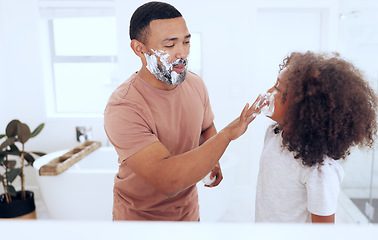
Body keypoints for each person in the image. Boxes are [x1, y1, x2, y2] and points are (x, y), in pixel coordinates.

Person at [104, 1, 262, 221]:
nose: (182, 53)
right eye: (169, 45)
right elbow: (168, 181)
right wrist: (227, 135)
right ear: (139, 49)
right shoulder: (124, 106)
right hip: (139, 224)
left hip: (189, 216)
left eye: (186, 42)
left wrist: (211, 160)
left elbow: (206, 127)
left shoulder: (195, 84)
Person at [255, 51, 378, 223]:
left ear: (300, 106)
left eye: (277, 88)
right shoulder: (273, 134)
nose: (269, 92)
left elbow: (323, 231)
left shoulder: (320, 171)